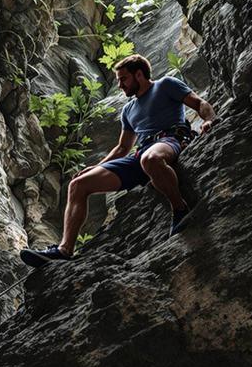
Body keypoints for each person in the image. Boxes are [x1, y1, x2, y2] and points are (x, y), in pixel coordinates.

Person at [20, 54, 216, 267]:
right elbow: (123, 147)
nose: (120, 85)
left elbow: (199, 103)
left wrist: (209, 120)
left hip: (170, 139)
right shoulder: (128, 110)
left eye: (123, 79)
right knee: (78, 184)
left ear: (139, 74)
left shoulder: (165, 85)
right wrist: (98, 166)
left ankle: (180, 209)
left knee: (150, 159)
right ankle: (64, 249)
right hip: (140, 154)